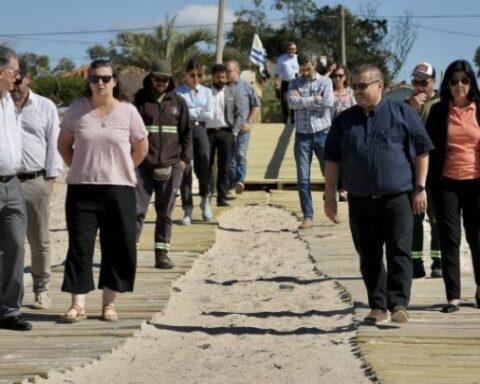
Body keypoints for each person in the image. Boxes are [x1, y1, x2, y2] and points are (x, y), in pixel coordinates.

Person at [324, 63, 434, 324]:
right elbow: (332, 160)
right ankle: (377, 305)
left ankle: (399, 304)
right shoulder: (344, 120)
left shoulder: (402, 112)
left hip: (397, 197)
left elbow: (422, 151)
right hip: (360, 199)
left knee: (399, 251)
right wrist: (329, 196)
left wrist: (420, 188)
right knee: (369, 254)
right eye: (354, 86)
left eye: (363, 86)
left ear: (379, 86)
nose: (357, 91)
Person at [57, 59, 148, 323]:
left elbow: (141, 147)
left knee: (116, 246)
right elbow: (64, 145)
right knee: (79, 247)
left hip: (119, 189)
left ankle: (109, 304)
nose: (100, 83)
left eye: (105, 78)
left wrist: (123, 168)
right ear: (89, 81)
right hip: (81, 190)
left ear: (114, 81)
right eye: (95, 78)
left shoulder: (128, 111)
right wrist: (80, 167)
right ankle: (77, 305)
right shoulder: (77, 109)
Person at [425, 59, 480, 313]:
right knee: (450, 239)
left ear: (471, 84)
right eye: (455, 81)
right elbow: (427, 149)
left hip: (476, 183)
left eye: (465, 81)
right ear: (447, 84)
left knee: (477, 238)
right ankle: (453, 297)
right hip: (445, 182)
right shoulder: (438, 112)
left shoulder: (479, 109)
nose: (460, 86)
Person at [10, 59, 63, 310]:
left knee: (39, 239)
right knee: (10, 241)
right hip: (6, 181)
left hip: (36, 180)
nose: (15, 85)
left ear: (28, 78)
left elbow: (54, 142)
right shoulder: (1, 105)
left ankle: (42, 289)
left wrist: (51, 178)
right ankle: (10, 294)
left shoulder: (45, 106)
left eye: (19, 80)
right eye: (11, 79)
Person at [134, 60, 192, 269]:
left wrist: (184, 161)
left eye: (165, 80)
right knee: (137, 210)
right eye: (157, 79)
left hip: (171, 165)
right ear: (151, 78)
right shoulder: (139, 102)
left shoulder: (179, 103)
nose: (161, 83)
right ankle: (130, 253)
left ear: (170, 80)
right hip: (142, 165)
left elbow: (187, 134)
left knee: (165, 212)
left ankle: (162, 254)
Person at [0, 48, 32, 331]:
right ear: (0, 73)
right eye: (14, 72)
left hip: (12, 184)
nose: (17, 77)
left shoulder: (9, 102)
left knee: (16, 246)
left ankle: (9, 310)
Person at [288, 51, 334, 229]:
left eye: (308, 69)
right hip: (302, 135)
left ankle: (332, 207)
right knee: (303, 177)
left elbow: (328, 102)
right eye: (302, 69)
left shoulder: (326, 82)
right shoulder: (294, 82)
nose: (305, 73)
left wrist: (304, 100)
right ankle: (308, 215)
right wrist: (314, 99)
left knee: (329, 174)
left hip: (323, 132)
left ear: (314, 65)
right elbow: (292, 103)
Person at [407, 62, 442, 279]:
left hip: (438, 170)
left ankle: (438, 262)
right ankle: (415, 262)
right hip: (412, 169)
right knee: (415, 217)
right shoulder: (405, 105)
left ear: (433, 82)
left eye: (424, 82)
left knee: (437, 217)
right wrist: (411, 109)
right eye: (416, 81)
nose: (419, 86)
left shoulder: (443, 104)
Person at [176, 60, 214, 224]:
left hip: (201, 130)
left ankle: (205, 201)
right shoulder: (178, 93)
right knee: (185, 169)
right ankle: (187, 209)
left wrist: (190, 111)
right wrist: (200, 110)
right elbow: (179, 114)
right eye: (192, 75)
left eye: (199, 75)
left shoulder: (207, 92)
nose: (196, 78)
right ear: (186, 75)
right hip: (184, 131)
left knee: (204, 167)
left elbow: (210, 115)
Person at [225, 60, 260, 195]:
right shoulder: (223, 88)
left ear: (237, 71)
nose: (226, 74)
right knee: (230, 158)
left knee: (240, 154)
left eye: (229, 71)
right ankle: (232, 184)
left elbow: (255, 105)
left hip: (243, 129)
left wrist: (249, 122)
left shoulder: (247, 87)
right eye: (226, 71)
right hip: (228, 129)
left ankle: (240, 181)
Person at [206, 63, 234, 207]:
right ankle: (208, 195)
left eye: (223, 77)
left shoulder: (230, 92)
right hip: (208, 132)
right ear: (213, 77)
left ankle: (222, 197)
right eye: (218, 77)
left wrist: (236, 129)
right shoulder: (205, 92)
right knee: (208, 165)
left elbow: (238, 111)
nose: (221, 80)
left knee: (224, 166)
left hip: (225, 132)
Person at [330, 64, 356, 202]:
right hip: (333, 130)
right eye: (335, 76)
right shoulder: (329, 93)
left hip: (348, 130)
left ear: (346, 77)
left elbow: (356, 109)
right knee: (335, 161)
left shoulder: (351, 92)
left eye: (340, 76)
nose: (338, 79)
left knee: (347, 160)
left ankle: (345, 189)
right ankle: (336, 188)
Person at [275, 42, 299, 124]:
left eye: (293, 49)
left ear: (296, 50)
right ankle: (285, 118)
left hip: (296, 83)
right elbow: (277, 74)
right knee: (285, 102)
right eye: (290, 49)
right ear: (287, 49)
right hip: (285, 83)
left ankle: (293, 120)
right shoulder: (281, 59)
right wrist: (277, 84)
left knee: (294, 102)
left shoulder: (298, 58)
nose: (291, 50)